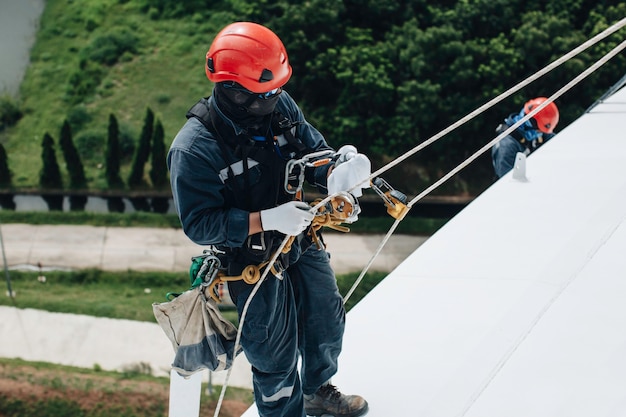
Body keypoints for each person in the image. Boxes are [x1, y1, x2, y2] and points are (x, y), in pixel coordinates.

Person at [167, 22, 371, 417]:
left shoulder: (277, 105)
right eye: (266, 93)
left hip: (298, 239)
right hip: (251, 260)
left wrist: (335, 172)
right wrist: (266, 219)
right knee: (273, 356)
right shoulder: (194, 150)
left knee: (326, 321)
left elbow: (311, 149)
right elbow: (200, 224)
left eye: (278, 89)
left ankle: (317, 392)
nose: (276, 98)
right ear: (233, 91)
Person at [491, 97, 559, 178]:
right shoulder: (506, 146)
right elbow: (507, 181)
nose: (541, 134)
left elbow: (557, 142)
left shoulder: (532, 130)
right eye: (540, 131)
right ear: (530, 124)